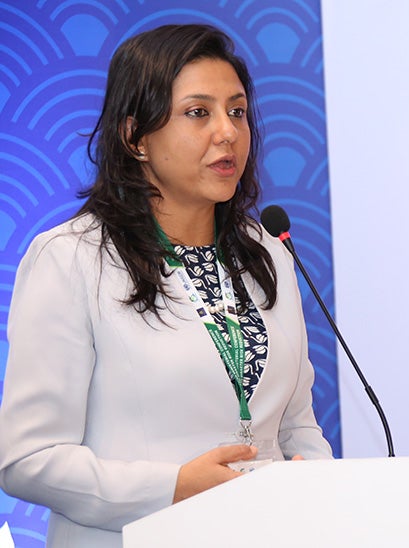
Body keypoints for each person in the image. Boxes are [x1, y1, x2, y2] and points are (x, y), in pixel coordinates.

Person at [0, 23, 333, 547]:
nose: (227, 132)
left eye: (238, 111)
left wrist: (323, 490)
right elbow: (26, 458)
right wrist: (174, 486)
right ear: (135, 137)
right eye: (198, 112)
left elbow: (295, 426)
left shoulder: (269, 250)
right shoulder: (70, 258)